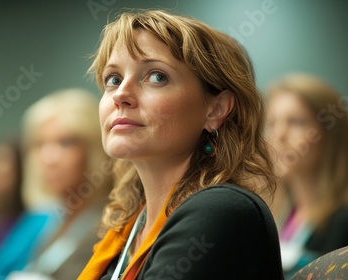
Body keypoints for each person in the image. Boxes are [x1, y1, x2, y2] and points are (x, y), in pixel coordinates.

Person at [78, 10, 283, 279]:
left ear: (216, 109)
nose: (121, 95)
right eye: (113, 79)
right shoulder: (127, 228)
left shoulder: (221, 211)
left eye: (156, 76)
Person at [0, 88, 113, 280]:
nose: (49, 158)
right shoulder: (53, 220)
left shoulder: (110, 221)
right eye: (39, 144)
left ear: (93, 150)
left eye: (66, 143)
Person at [266, 73, 348, 277]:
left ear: (330, 135)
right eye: (272, 123)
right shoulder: (278, 214)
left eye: (296, 122)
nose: (279, 135)